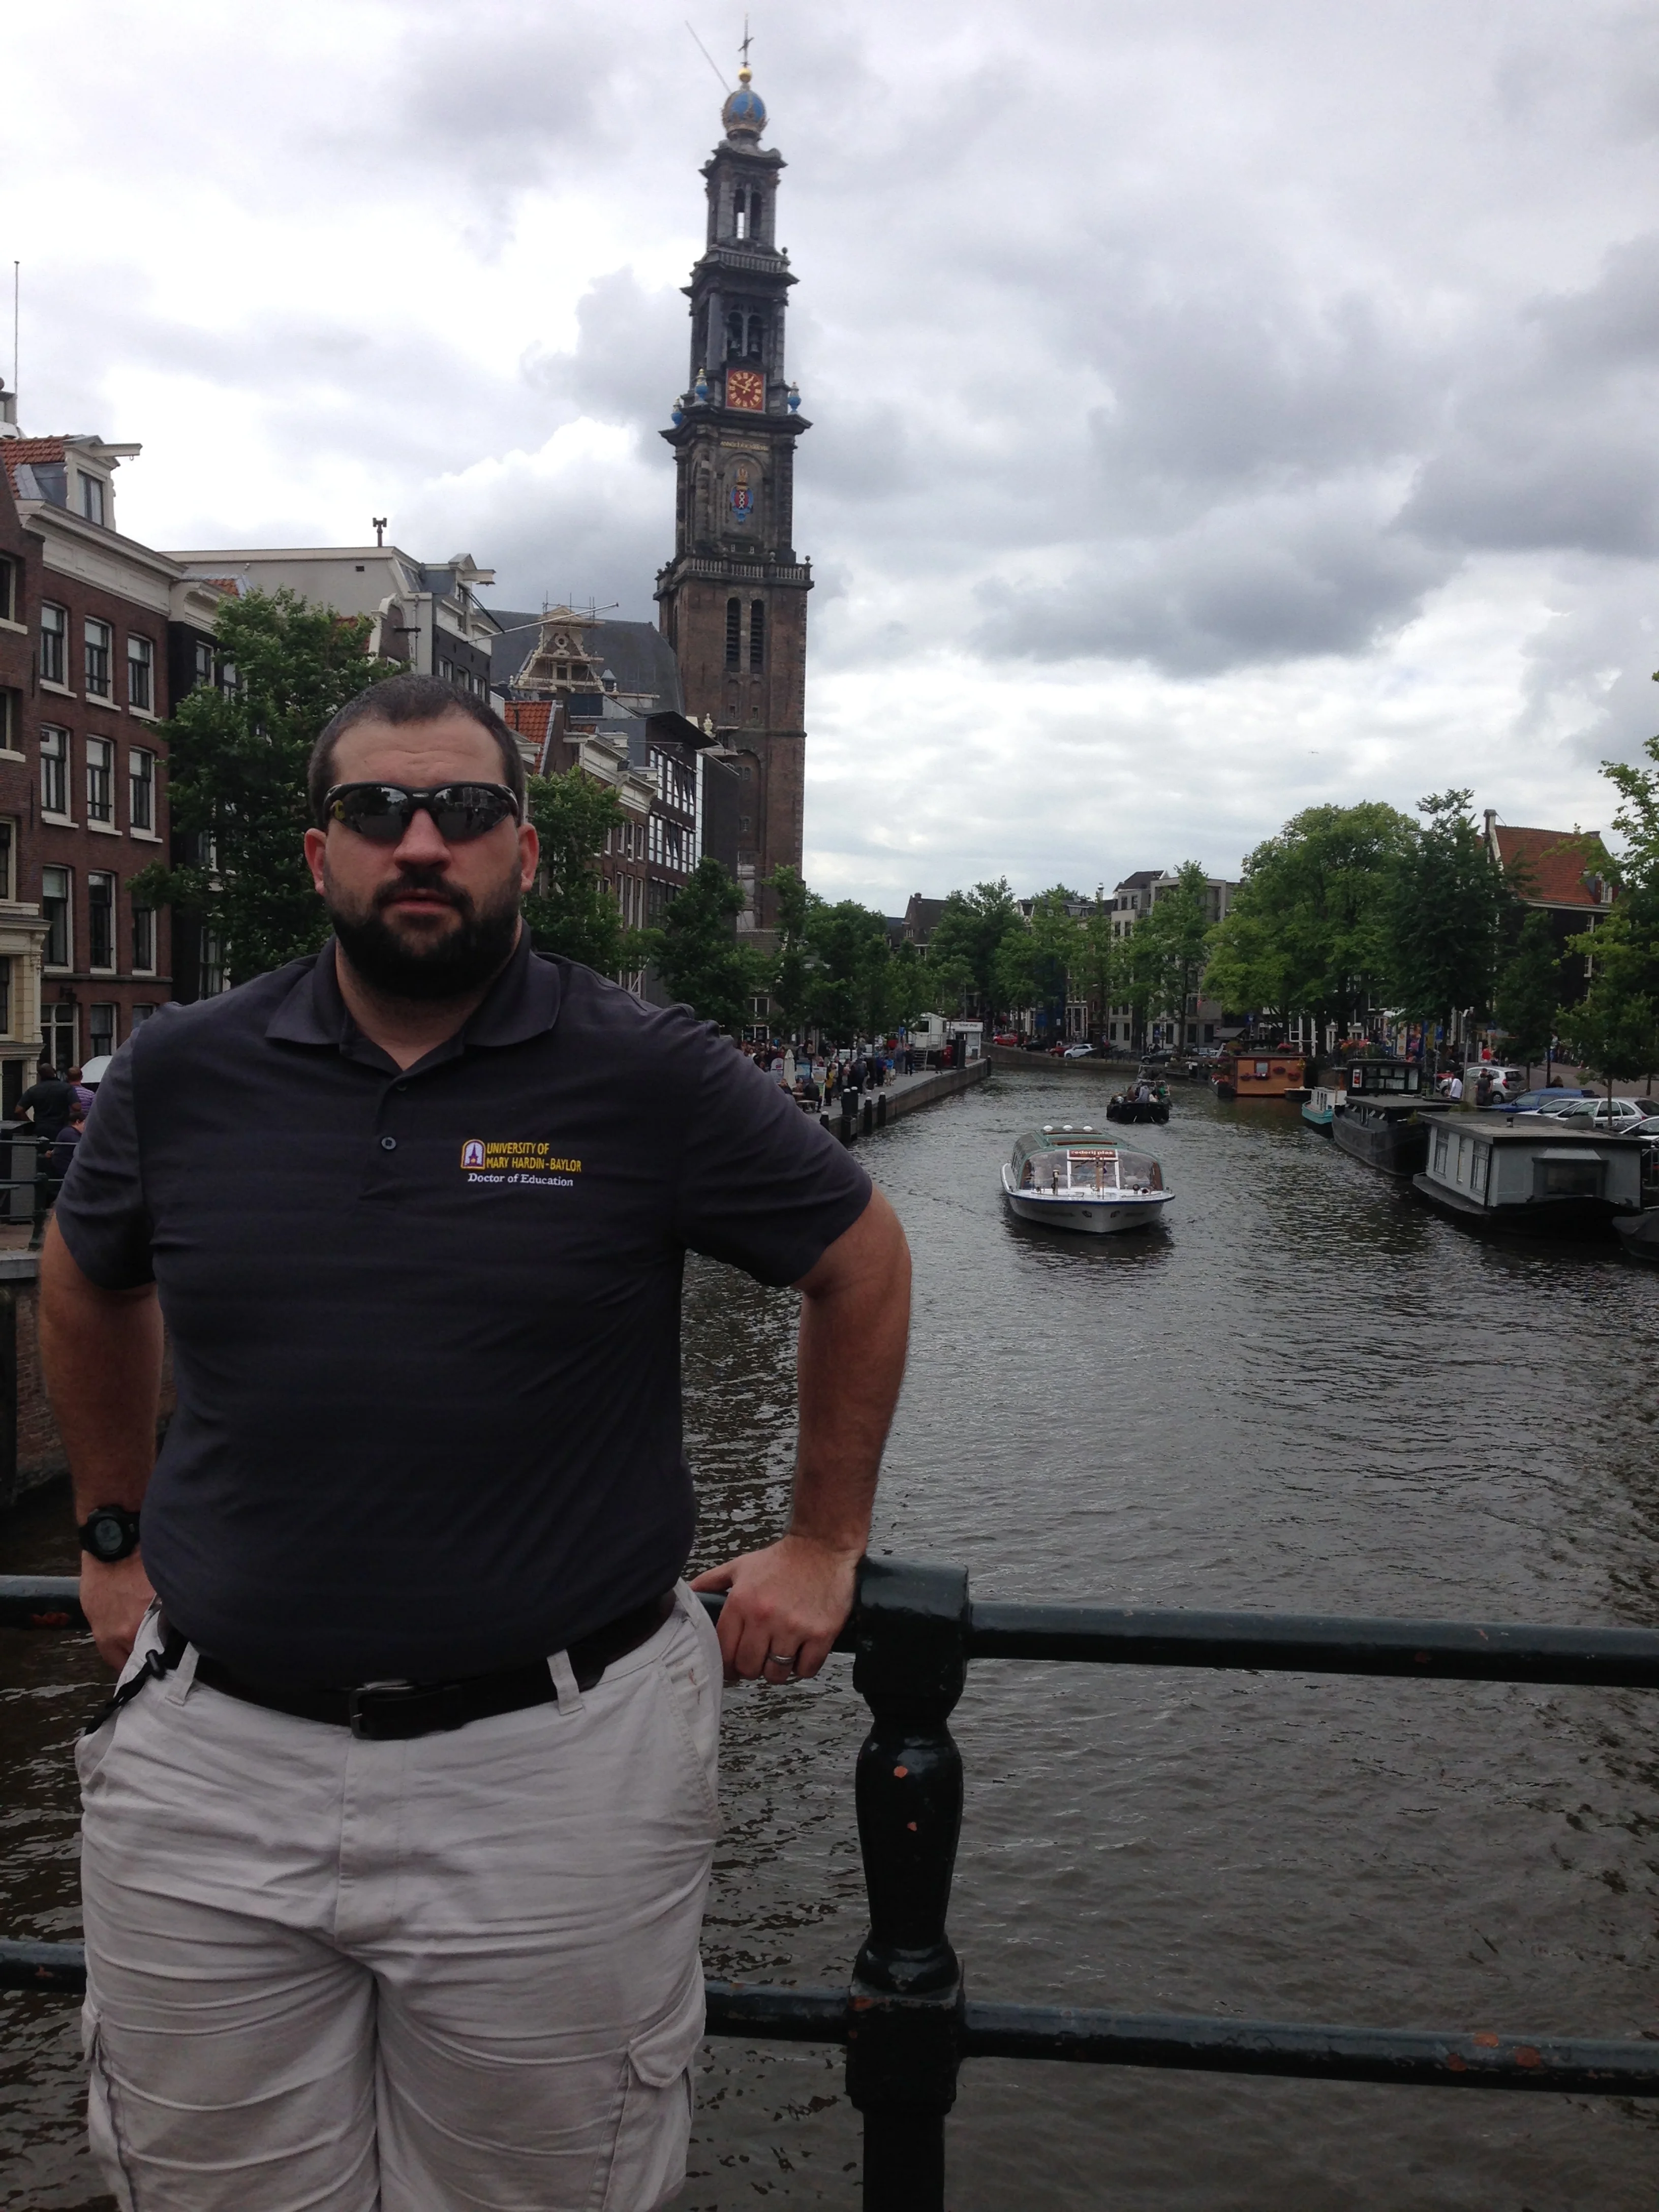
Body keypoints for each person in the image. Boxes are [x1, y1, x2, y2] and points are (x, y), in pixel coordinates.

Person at [42, 673, 912, 2212]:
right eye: (378, 808)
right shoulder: (184, 1067)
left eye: (464, 809)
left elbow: (862, 1259)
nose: (422, 841)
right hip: (216, 1768)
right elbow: (88, 1273)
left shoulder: (644, 1067)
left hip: (551, 1773)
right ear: (320, 853)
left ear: (527, 850)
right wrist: (112, 1532)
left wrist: (825, 1536)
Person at [15, 1062, 76, 1141]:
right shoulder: (67, 1088)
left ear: (40, 1075)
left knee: (43, 1147)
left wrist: (30, 1124)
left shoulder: (33, 1090)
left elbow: (18, 1110)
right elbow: (77, 1107)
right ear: (54, 1073)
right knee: (61, 1147)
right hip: (61, 1127)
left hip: (41, 1128)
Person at [48, 1099, 86, 1181]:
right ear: (78, 1122)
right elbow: (82, 1148)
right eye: (85, 1123)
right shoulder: (70, 1133)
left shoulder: (69, 1132)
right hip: (66, 1169)